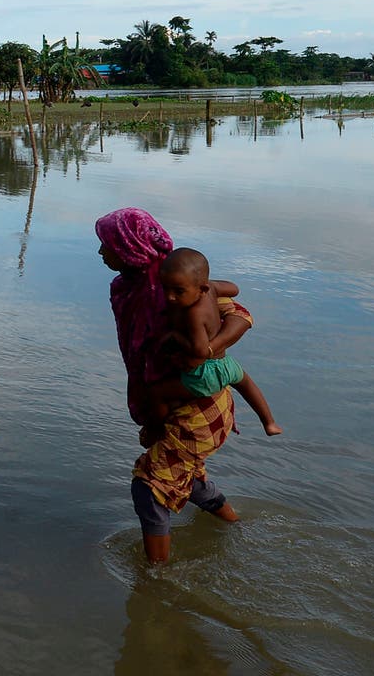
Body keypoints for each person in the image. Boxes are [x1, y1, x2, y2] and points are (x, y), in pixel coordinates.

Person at [95, 207, 253, 564]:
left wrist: (208, 349)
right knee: (184, 476)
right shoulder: (135, 287)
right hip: (177, 407)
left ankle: (156, 579)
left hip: (198, 407)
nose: (102, 253)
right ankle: (235, 526)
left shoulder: (174, 286)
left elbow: (240, 313)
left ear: (130, 247)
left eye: (108, 246)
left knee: (148, 487)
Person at [150, 247, 282, 436]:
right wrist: (206, 284)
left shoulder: (193, 314)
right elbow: (234, 289)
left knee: (156, 393)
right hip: (226, 364)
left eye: (178, 291)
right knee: (246, 384)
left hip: (204, 373)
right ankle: (269, 423)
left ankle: (158, 431)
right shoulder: (210, 288)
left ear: (201, 289)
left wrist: (175, 337)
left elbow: (201, 351)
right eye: (165, 288)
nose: (170, 297)